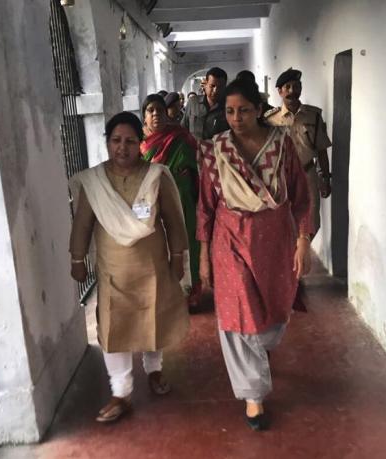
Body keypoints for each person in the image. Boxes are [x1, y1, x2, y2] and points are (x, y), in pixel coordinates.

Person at [196, 78, 313, 431]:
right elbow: (206, 206)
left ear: (259, 110)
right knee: (238, 314)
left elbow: (300, 196)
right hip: (230, 239)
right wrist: (203, 255)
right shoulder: (215, 150)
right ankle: (253, 397)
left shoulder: (282, 144)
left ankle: (259, 352)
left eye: (244, 111)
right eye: (230, 111)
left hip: (274, 242)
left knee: (272, 317)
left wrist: (303, 241)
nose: (236, 118)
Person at [69, 112, 189, 423]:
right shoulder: (94, 182)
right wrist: (77, 259)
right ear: (107, 142)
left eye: (130, 141)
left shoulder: (156, 176)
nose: (122, 147)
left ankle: (154, 370)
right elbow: (82, 224)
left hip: (152, 267)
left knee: (153, 319)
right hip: (113, 272)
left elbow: (174, 220)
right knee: (113, 328)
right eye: (116, 140)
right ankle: (120, 393)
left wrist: (178, 256)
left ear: (141, 143)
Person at [140, 94, 202, 310]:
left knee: (187, 246)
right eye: (150, 110)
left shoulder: (180, 138)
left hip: (182, 203)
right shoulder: (140, 145)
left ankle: (189, 293)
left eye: (160, 110)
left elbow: (197, 167)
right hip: (152, 208)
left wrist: (183, 176)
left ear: (166, 114)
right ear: (144, 117)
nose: (156, 114)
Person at [264, 68, 332, 235]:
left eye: (296, 86)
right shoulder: (270, 120)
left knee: (311, 223)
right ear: (280, 91)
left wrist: (325, 177)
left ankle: (302, 247)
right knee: (282, 222)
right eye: (287, 87)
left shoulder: (313, 116)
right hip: (280, 177)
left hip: (307, 173)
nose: (292, 91)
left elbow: (321, 150)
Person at [182, 67, 229, 140]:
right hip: (194, 146)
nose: (215, 90)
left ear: (225, 87)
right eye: (212, 86)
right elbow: (183, 128)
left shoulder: (228, 107)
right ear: (205, 84)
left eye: (220, 87)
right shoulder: (193, 103)